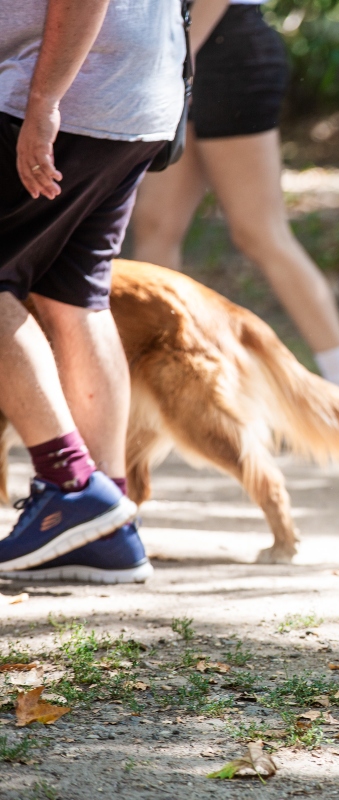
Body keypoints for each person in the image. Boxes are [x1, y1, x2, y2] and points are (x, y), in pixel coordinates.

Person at [0, 0, 187, 583]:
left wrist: (43, 103)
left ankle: (71, 486)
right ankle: (108, 523)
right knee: (74, 295)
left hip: (63, 96)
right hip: (132, 98)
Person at [129, 0, 339, 405]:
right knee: (154, 226)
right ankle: (159, 383)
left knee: (259, 232)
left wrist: (176, 62)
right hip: (176, 49)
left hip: (220, 48)